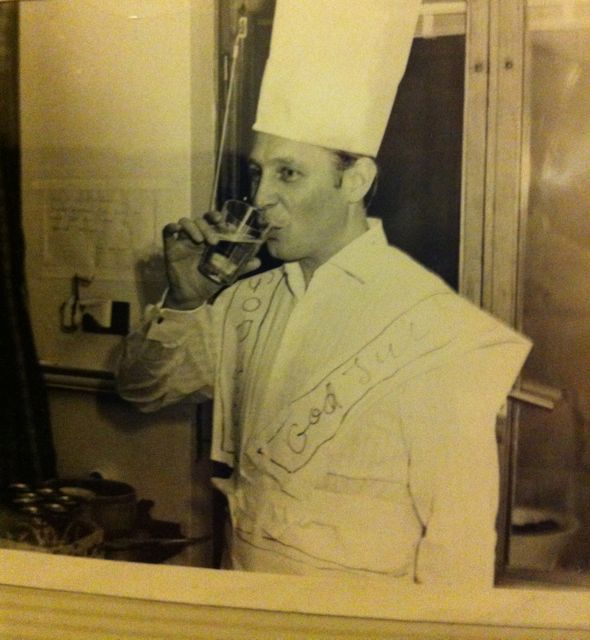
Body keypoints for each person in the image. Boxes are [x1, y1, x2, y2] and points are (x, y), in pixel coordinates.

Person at [117, 0, 532, 584]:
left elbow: (458, 542)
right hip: (244, 596)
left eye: (288, 173)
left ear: (354, 181)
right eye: (258, 173)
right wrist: (184, 299)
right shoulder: (246, 303)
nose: (261, 198)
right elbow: (142, 392)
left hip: (360, 615)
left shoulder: (436, 330)